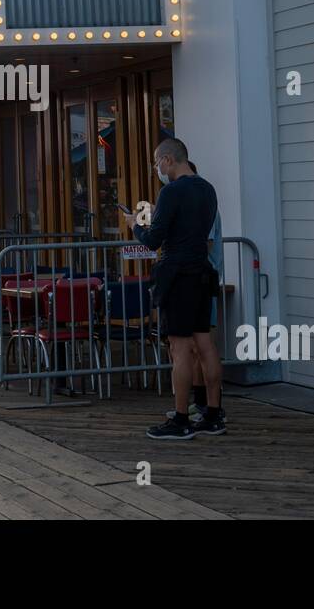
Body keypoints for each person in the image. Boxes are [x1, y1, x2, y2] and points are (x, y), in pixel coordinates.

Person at [124, 137, 224, 440]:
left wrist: (135, 225)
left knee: (179, 349)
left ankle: (180, 419)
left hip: (178, 276)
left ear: (169, 159)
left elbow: (154, 240)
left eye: (157, 162)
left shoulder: (170, 191)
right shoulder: (208, 189)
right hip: (202, 274)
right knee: (205, 345)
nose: (157, 168)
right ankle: (213, 415)